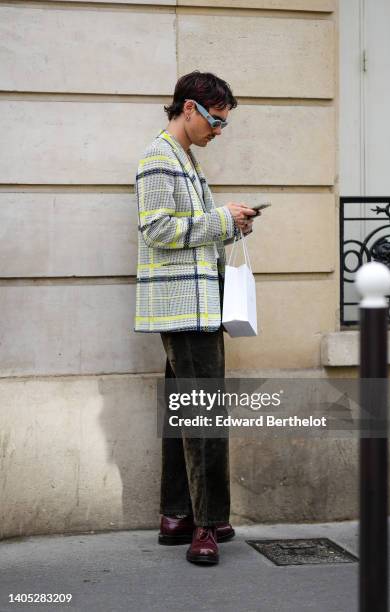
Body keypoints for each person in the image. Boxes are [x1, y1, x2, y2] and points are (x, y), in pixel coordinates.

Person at [134, 71, 259, 565]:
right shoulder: (157, 159)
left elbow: (194, 234)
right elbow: (159, 230)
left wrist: (233, 225)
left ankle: (176, 515)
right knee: (206, 414)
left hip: (197, 303)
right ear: (189, 108)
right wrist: (222, 218)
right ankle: (207, 525)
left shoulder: (186, 160)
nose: (218, 131)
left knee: (182, 411)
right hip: (184, 308)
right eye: (215, 120)